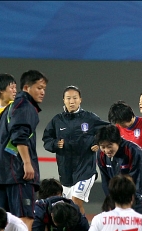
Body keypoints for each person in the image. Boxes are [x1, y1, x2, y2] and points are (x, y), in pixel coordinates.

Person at [0, 70, 48, 231]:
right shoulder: (25, 106)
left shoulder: (6, 111)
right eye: (39, 87)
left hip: (2, 176)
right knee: (25, 219)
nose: (43, 92)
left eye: (44, 88)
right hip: (19, 174)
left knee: (3, 222)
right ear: (26, 88)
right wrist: (27, 163)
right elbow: (19, 135)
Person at [42, 85, 109, 214]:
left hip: (85, 170)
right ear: (63, 100)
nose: (71, 101)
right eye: (68, 98)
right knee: (69, 208)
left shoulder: (90, 118)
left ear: (80, 100)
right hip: (66, 172)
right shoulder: (57, 120)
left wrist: (99, 142)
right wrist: (55, 144)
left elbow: (108, 129)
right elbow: (47, 139)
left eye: (74, 98)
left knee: (76, 201)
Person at [95, 124, 142, 203]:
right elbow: (106, 180)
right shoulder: (101, 155)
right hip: (130, 182)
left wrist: (140, 199)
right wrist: (110, 200)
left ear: (118, 141)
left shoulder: (134, 151)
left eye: (109, 146)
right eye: (103, 147)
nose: (107, 150)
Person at [108, 100, 142, 171]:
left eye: (121, 122)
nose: (119, 125)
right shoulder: (118, 127)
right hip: (128, 168)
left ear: (127, 117)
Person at [0, 74, 17, 208]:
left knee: (0, 202)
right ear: (1, 90)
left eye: (15, 87)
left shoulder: (16, 108)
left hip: (8, 164)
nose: (15, 90)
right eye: (11, 87)